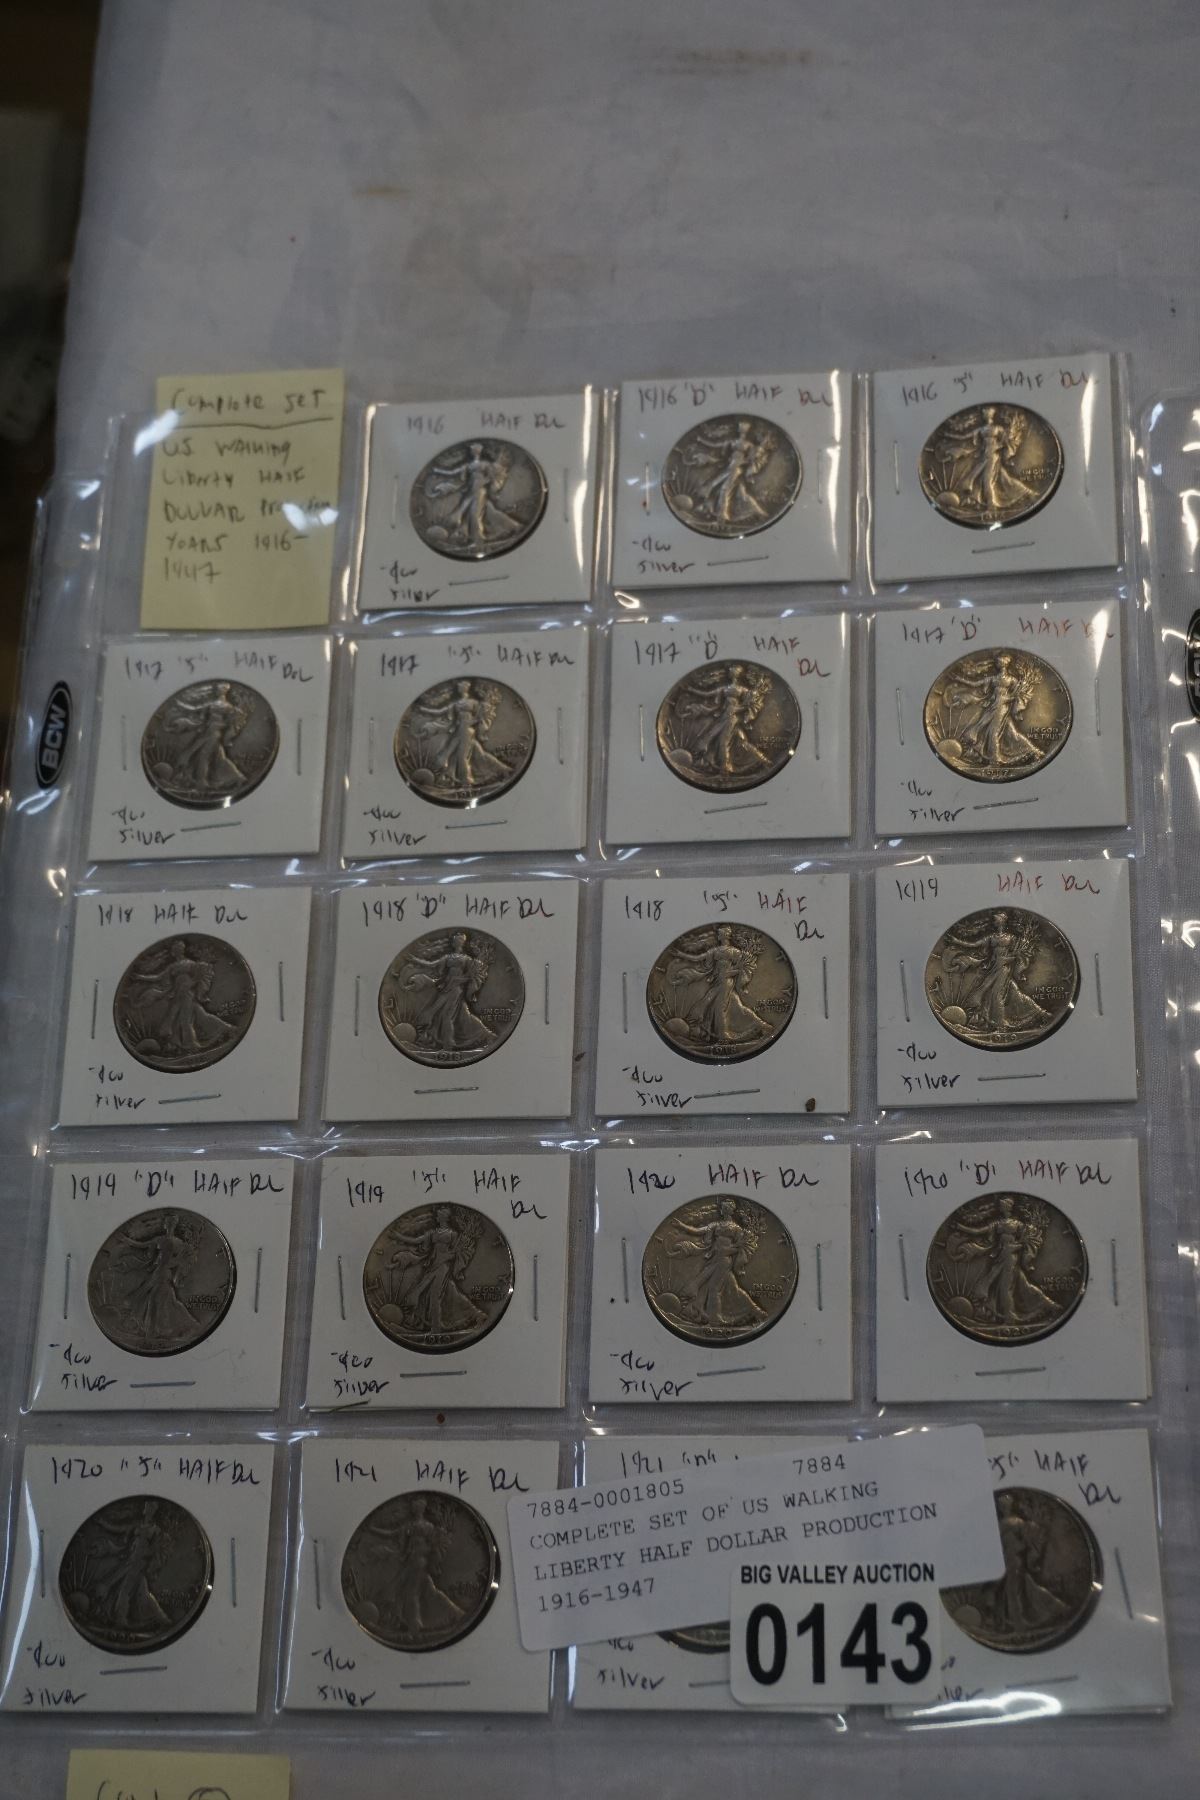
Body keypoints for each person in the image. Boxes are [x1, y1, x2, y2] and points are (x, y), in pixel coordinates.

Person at [662, 1197, 766, 1330]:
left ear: (730, 1210)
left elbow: (740, 1247)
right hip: (714, 1259)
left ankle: (715, 1321)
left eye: (725, 1207)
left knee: (714, 1289)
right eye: (722, 1207)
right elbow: (698, 1231)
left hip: (724, 1261)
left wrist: (726, 1251)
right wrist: (682, 1226)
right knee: (733, 1289)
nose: (722, 1209)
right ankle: (757, 1312)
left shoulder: (736, 1229)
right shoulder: (716, 1225)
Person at [665, 924, 770, 1045]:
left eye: (720, 933)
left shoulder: (734, 952)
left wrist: (730, 973)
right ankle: (762, 1026)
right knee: (736, 1007)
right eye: (719, 933)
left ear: (725, 935)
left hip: (726, 983)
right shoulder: (715, 951)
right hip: (718, 981)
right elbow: (697, 958)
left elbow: (744, 967)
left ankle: (723, 1035)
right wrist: (681, 954)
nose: (718, 935)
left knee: (718, 1008)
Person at [400, 930, 494, 1052]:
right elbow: (431, 964)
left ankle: (448, 1045)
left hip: (456, 989)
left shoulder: (467, 959)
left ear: (463, 942)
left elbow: (471, 976)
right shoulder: (448, 957)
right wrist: (415, 960)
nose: (457, 942)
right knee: (460, 1016)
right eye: (455, 940)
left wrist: (458, 980)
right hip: (446, 988)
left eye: (459, 940)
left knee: (447, 1016)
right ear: (453, 942)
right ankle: (486, 1035)